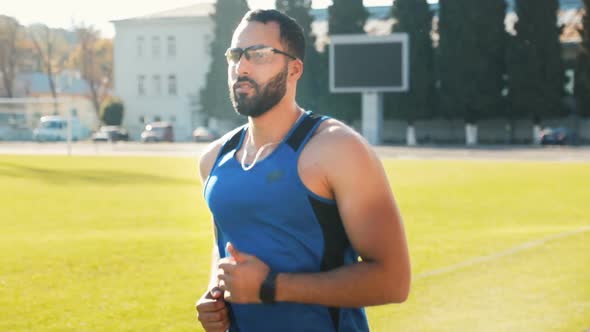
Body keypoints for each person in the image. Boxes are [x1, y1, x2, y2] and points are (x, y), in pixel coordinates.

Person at [195, 9, 410, 332]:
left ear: (294, 69)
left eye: (259, 54)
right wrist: (216, 295)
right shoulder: (213, 159)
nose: (241, 67)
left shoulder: (338, 149)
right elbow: (225, 244)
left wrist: (272, 287)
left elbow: (393, 281)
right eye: (236, 55)